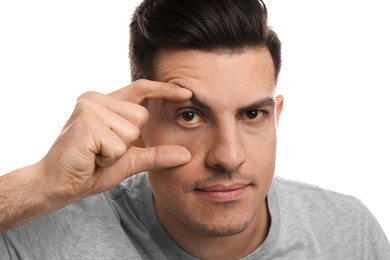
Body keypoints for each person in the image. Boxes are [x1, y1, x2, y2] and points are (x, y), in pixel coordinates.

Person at [0, 0, 389, 259]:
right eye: (189, 116)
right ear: (138, 124)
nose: (228, 156)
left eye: (252, 114)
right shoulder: (50, 236)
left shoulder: (349, 234)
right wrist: (40, 184)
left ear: (277, 116)